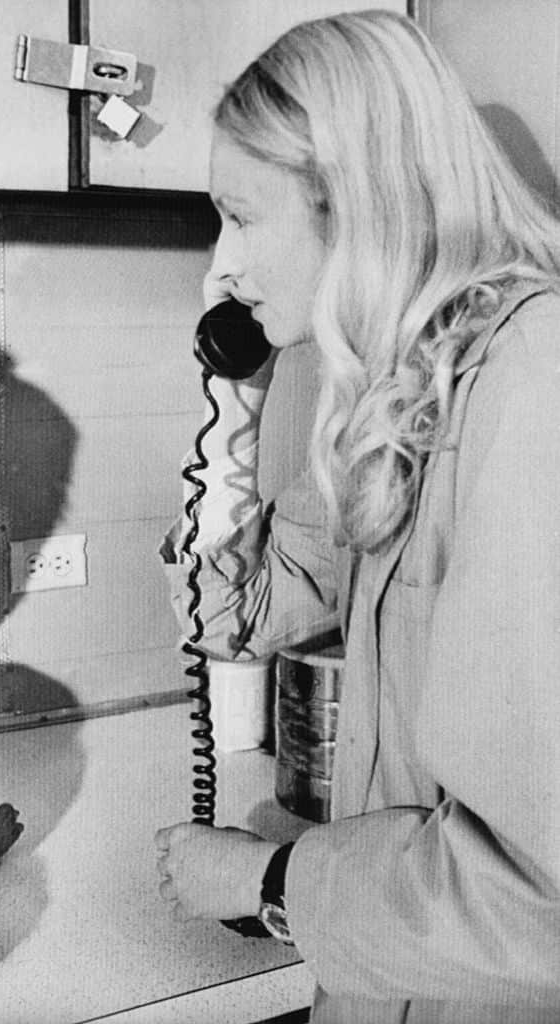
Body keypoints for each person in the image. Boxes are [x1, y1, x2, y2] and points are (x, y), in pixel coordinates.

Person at [154, 10, 560, 1023]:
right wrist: (231, 410)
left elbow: (538, 898)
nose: (218, 268)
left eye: (240, 217)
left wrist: (268, 883)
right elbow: (240, 606)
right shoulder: (401, 393)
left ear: (354, 207)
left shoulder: (532, 388)